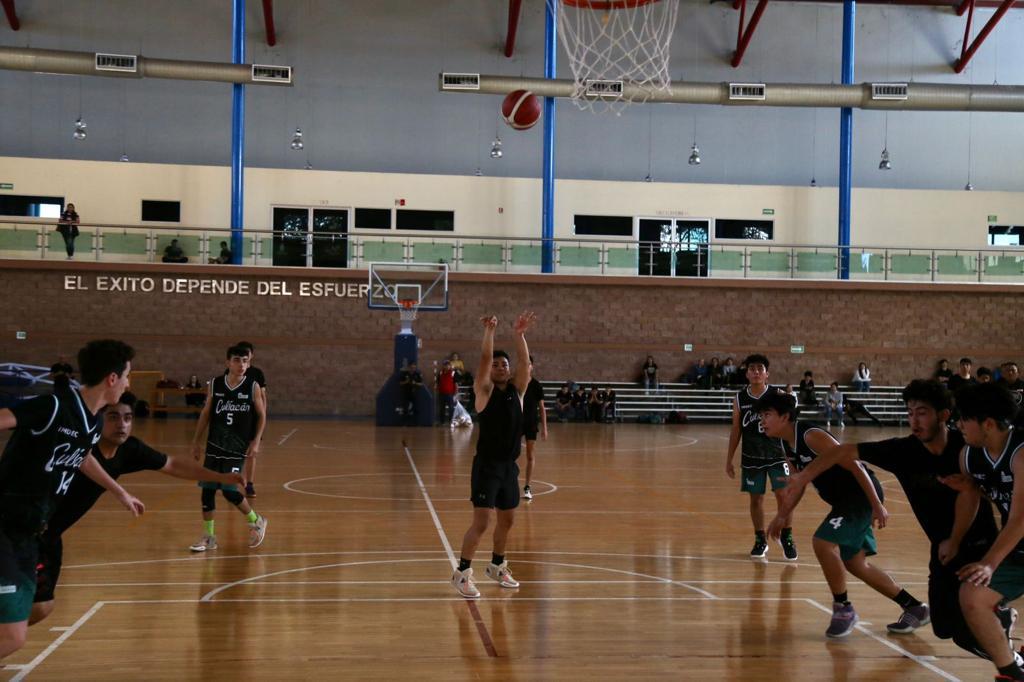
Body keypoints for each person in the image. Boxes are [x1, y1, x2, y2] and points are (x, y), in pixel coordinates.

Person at [772, 380, 1012, 659]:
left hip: (979, 545)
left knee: (970, 625)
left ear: (944, 415)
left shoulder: (967, 448)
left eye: (921, 413)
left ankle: (1011, 660)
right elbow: (843, 452)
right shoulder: (902, 451)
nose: (914, 420)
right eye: (909, 413)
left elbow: (975, 491)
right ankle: (990, 628)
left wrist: (957, 538)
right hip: (942, 546)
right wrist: (803, 477)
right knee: (945, 628)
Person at [31, 395, 244, 626]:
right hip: (27, 530)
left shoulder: (129, 450)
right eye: (113, 417)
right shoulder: (80, 448)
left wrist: (218, 477)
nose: (121, 424)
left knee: (41, 607)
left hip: (50, 537)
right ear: (98, 419)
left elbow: (172, 464)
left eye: (127, 418)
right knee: (24, 604)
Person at [0, 339, 144, 658]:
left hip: (30, 531)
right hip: (5, 524)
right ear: (111, 379)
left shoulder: (91, 420)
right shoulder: (53, 407)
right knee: (12, 637)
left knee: (36, 609)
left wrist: (119, 491)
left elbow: (80, 455)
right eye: (127, 375)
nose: (128, 383)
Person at [756, 391, 925, 640]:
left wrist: (876, 504)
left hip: (860, 498)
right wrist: (782, 516)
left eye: (767, 414)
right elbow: (800, 483)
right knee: (856, 564)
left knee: (823, 542)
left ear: (784, 416)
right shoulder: (784, 443)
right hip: (844, 503)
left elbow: (855, 463)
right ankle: (915, 607)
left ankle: (843, 609)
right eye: (761, 415)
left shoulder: (810, 435)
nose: (762, 420)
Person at [451, 312, 536, 599]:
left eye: (504, 364)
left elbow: (526, 364)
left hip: (509, 468)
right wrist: (489, 331)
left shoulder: (518, 391)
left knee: (508, 521)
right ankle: (462, 573)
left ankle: (498, 566)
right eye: (497, 365)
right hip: (486, 466)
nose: (500, 367)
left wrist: (519, 335)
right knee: (482, 522)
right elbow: (485, 360)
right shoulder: (484, 392)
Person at [945, 383, 1024, 680]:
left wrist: (989, 563)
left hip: (1019, 533)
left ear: (987, 423)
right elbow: (971, 494)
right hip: (1019, 547)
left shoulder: (1021, 453)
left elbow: (1020, 518)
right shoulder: (969, 456)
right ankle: (1011, 673)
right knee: (972, 595)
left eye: (964, 419)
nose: (958, 425)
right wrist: (954, 540)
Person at [188, 344, 267, 553]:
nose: (241, 365)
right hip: (214, 445)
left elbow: (261, 415)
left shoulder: (252, 386)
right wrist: (196, 441)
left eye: (245, 361)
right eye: (237, 360)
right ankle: (209, 537)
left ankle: (256, 520)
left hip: (237, 447)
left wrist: (256, 440)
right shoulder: (216, 384)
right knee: (207, 491)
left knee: (229, 491)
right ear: (228, 362)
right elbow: (206, 413)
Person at [724, 354, 797, 560]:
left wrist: (793, 457)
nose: (756, 372)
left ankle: (787, 537)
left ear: (767, 373)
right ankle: (760, 539)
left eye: (760, 368)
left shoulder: (778, 395)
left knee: (784, 497)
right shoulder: (740, 399)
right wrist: (729, 459)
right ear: (747, 373)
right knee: (756, 499)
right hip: (751, 457)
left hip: (777, 455)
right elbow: (736, 429)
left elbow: (791, 425)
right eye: (752, 368)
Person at [236, 341, 267, 499]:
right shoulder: (233, 371)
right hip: (236, 417)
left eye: (246, 356)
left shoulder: (257, 373)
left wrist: (263, 415)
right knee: (235, 452)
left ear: (251, 356)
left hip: (253, 418)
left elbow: (263, 396)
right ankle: (233, 482)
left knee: (251, 453)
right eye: (239, 357)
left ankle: (249, 485)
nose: (242, 360)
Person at [521, 356, 547, 502]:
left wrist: (544, 428)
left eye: (529, 364)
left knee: (530, 455)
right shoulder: (514, 383)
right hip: (516, 423)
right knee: (511, 454)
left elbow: (542, 408)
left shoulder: (536, 385)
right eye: (524, 364)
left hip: (531, 423)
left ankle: (527, 486)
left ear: (532, 366)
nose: (526, 367)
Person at [437, 359, 458, 425]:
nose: (446, 366)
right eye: (445, 365)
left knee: (451, 408)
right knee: (441, 408)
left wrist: (456, 393)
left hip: (450, 394)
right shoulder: (440, 373)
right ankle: (441, 422)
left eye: (448, 365)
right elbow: (438, 382)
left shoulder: (453, 373)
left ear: (450, 365)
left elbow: (456, 384)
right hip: (441, 394)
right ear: (443, 366)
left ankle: (450, 421)